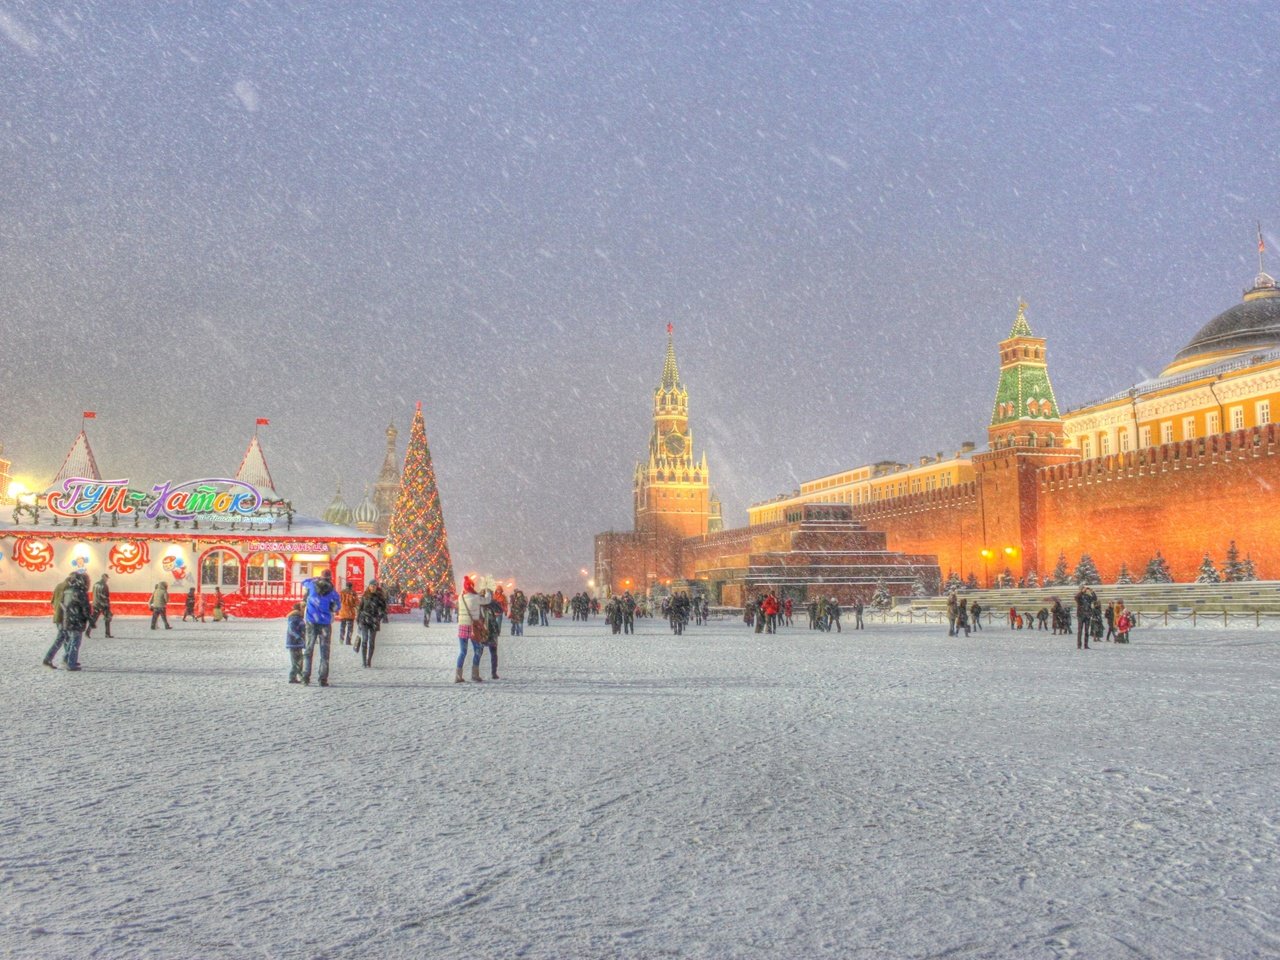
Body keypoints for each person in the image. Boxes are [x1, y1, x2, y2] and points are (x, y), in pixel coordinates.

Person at [301, 569, 342, 686]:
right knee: (324, 652)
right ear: (330, 578)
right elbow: (337, 607)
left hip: (311, 621)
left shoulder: (312, 586)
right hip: (324, 622)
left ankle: (305, 677)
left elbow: (303, 582)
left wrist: (314, 578)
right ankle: (322, 678)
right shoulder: (333, 592)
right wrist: (329, 607)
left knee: (308, 650)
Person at [456, 575, 486, 683]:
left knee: (462, 652)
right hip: (473, 627)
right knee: (478, 649)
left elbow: (463, 591)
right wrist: (487, 591)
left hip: (462, 626)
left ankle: (458, 676)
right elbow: (487, 600)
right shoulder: (475, 597)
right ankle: (475, 674)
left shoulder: (461, 597)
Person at [42, 574, 72, 669]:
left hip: (58, 616)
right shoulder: (68, 588)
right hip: (64, 617)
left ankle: (68, 658)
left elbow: (52, 601)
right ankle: (48, 658)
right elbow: (68, 603)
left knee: (65, 638)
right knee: (62, 638)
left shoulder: (59, 585)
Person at [356, 581, 388, 668]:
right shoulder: (365, 596)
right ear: (369, 586)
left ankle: (369, 660)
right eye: (371, 586)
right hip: (364, 620)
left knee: (371, 642)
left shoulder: (379, 597)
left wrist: (378, 617)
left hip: (374, 621)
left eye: (374, 586)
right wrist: (358, 619)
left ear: (376, 587)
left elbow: (384, 610)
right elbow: (360, 608)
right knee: (365, 640)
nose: (373, 587)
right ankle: (363, 661)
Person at [285, 602, 306, 683]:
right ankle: (292, 677)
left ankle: (298, 676)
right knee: (296, 662)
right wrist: (298, 636)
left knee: (299, 661)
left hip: (297, 643)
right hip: (294, 643)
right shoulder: (294, 618)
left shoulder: (299, 618)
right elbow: (292, 629)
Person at [87, 573, 114, 638]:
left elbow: (94, 594)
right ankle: (107, 633)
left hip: (96, 604)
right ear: (105, 578)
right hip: (103, 605)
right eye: (107, 578)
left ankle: (88, 632)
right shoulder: (104, 585)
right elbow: (106, 596)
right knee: (107, 619)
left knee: (94, 619)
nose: (107, 580)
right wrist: (107, 605)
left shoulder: (95, 584)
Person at [337, 581, 358, 645]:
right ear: (351, 586)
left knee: (342, 627)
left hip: (343, 611)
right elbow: (356, 602)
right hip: (350, 612)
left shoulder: (341, 592)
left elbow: (338, 600)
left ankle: (341, 639)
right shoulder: (353, 593)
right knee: (350, 628)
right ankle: (348, 641)